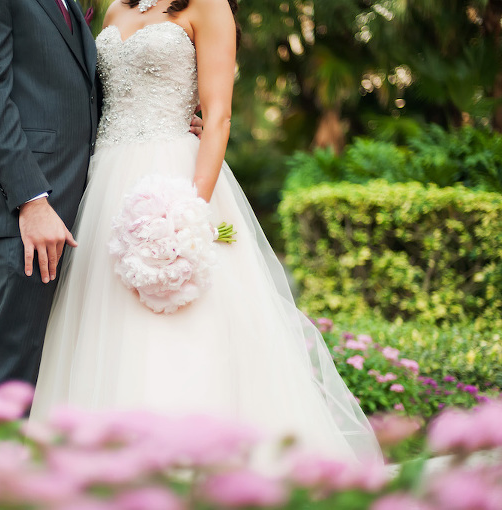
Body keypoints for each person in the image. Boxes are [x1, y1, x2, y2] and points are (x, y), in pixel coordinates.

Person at [29, 0, 383, 463]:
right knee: (102, 321)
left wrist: (188, 213)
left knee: (179, 322)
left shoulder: (209, 6)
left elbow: (218, 118)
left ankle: (192, 463)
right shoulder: (115, 9)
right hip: (103, 186)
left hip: (177, 179)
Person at [0, 0, 99, 389]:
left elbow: (74, 92)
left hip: (81, 204)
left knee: (55, 375)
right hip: (27, 212)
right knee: (8, 376)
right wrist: (31, 199)